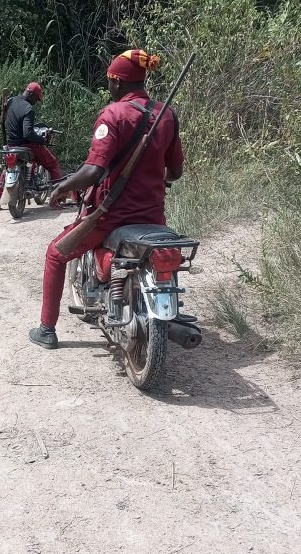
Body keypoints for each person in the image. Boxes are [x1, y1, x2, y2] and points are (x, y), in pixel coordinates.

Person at [28, 49, 184, 349]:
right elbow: (175, 172)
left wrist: (60, 188)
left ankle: (46, 329)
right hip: (153, 216)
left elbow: (93, 170)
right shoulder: (167, 116)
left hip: (113, 215)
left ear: (118, 82)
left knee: (55, 254)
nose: (109, 86)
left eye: (110, 81)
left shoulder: (113, 115)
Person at [0, 81, 63, 210]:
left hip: (10, 145)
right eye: (36, 99)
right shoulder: (28, 109)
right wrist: (41, 140)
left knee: (8, 168)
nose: (35, 102)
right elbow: (28, 133)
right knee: (53, 164)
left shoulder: (10, 101)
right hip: (27, 145)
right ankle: (58, 199)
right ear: (31, 95)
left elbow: (4, 120)